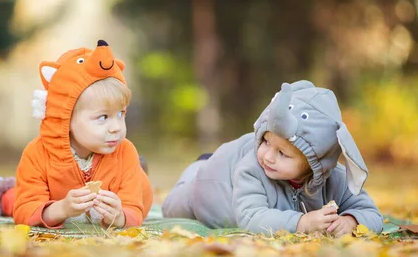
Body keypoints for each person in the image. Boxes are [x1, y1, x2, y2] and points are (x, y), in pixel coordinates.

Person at [162, 80, 383, 236]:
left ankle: (201, 163)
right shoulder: (252, 168)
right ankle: (197, 166)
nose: (267, 156)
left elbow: (372, 214)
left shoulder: (337, 178)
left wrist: (351, 221)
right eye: (266, 141)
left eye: (282, 153)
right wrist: (302, 222)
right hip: (212, 185)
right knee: (173, 205)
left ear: (315, 162)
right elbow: (251, 217)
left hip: (228, 177)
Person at [0, 40, 153, 229]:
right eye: (103, 117)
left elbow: (134, 208)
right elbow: (25, 210)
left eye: (120, 114)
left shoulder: (125, 152)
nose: (116, 127)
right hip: (52, 198)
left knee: (138, 183)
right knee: (16, 199)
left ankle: (137, 172)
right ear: (66, 118)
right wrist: (61, 209)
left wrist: (120, 217)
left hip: (129, 183)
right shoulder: (37, 155)